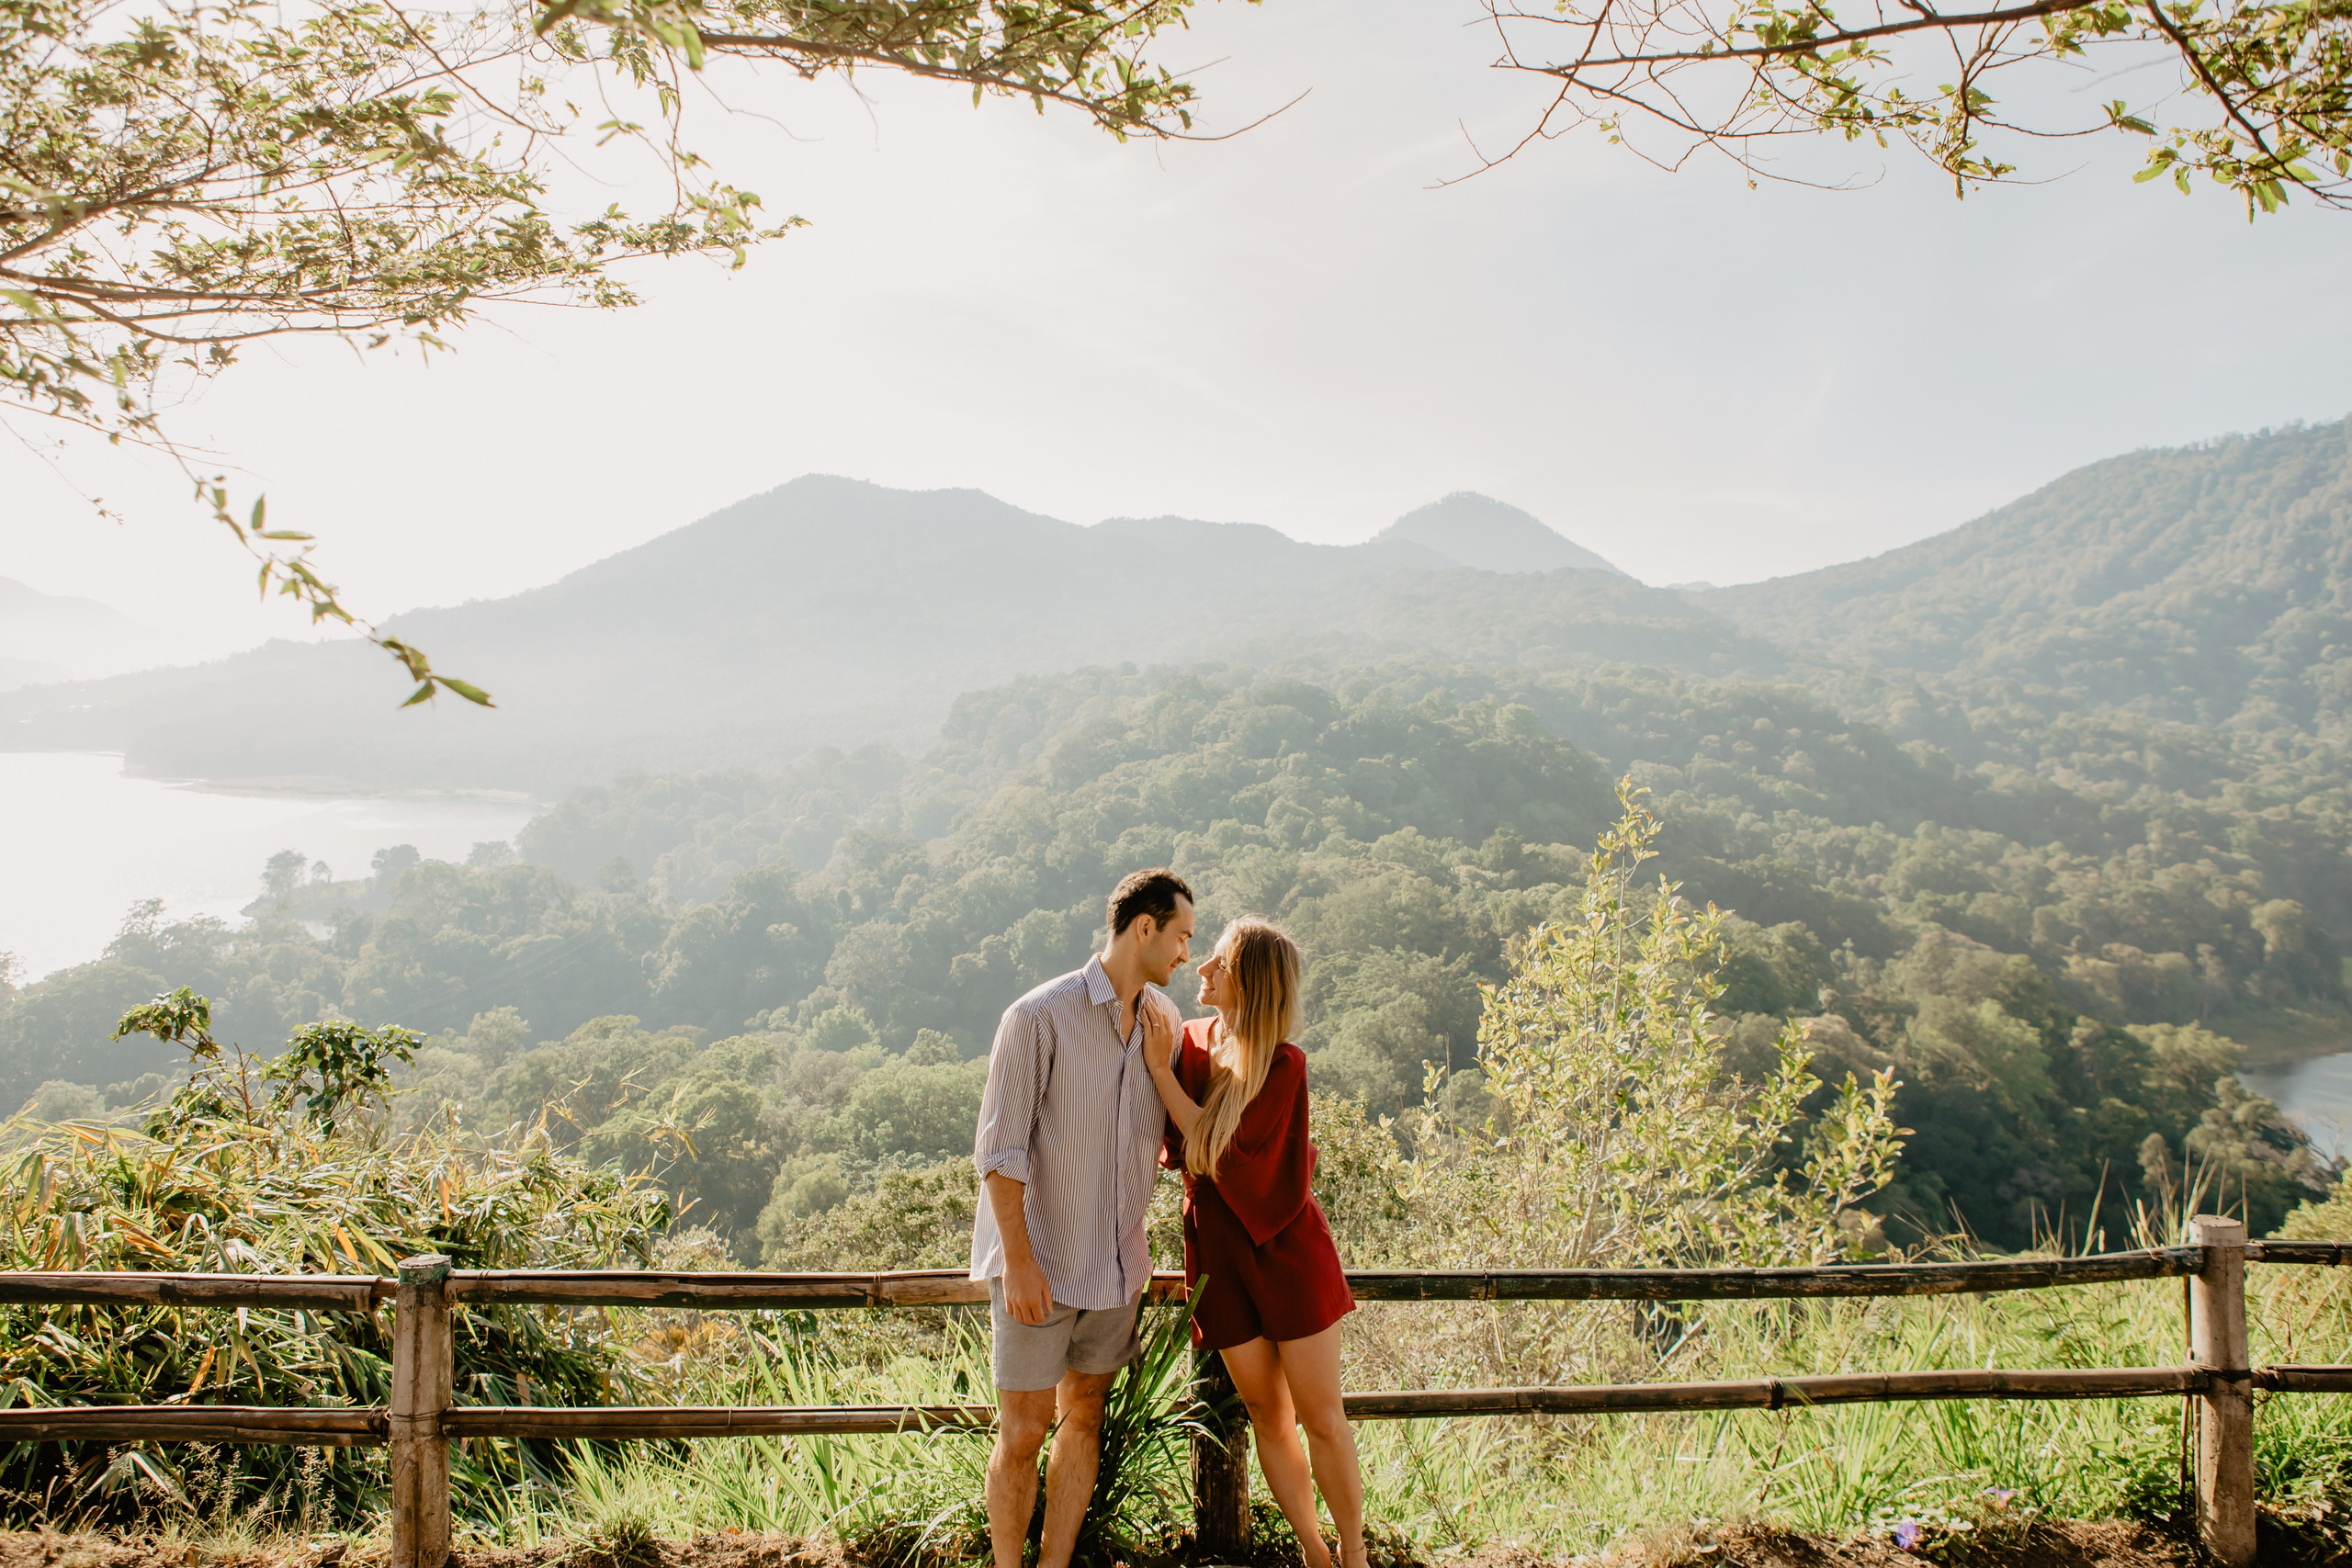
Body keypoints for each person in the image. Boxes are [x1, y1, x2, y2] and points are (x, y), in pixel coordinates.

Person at [970, 866, 1195, 1568]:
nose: (1186, 953)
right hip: (1040, 1264)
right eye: (1181, 935)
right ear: (1144, 927)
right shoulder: (1038, 1014)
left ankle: (1055, 1563)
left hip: (1116, 1268)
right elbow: (999, 1149)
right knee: (1024, 1428)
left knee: (1085, 1417)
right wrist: (1020, 1260)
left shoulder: (1165, 1025)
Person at [1141, 917, 1365, 1568]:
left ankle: (1355, 1554)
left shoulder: (1283, 1064)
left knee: (1321, 1415)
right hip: (1218, 1250)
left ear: (1248, 982)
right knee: (1267, 1412)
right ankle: (1315, 1553)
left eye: (1217, 962)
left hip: (1288, 1249)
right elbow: (1171, 1143)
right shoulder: (1186, 1042)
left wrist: (1162, 1076)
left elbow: (1217, 1152)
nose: (1201, 970)